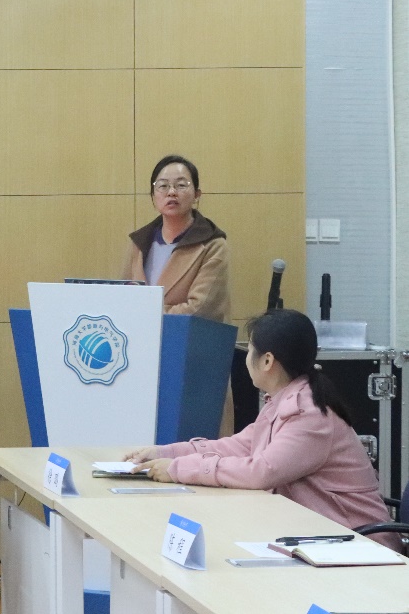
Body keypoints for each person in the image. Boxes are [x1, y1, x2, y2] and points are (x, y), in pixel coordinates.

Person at [125, 309, 400, 551]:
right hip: (324, 537)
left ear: (267, 361)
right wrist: (166, 453)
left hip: (360, 543)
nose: (245, 359)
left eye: (249, 351)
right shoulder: (285, 400)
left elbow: (262, 471)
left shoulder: (309, 415)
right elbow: (238, 446)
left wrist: (178, 469)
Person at [122, 154, 229, 322]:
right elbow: (123, 298)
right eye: (163, 186)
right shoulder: (139, 243)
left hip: (189, 337)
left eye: (181, 185)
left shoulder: (213, 244)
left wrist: (144, 312)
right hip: (140, 335)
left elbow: (199, 310)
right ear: (153, 196)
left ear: (197, 194)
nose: (171, 192)